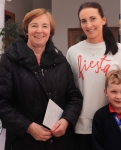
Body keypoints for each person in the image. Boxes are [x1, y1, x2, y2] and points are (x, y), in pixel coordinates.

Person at [66, 2, 121, 150]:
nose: (88, 25)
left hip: (112, 122)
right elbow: (68, 90)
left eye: (93, 18)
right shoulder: (73, 51)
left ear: (103, 20)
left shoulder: (118, 50)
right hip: (81, 126)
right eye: (83, 21)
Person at [0, 8, 83, 150]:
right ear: (26, 30)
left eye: (45, 26)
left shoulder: (61, 60)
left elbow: (74, 97)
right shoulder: (9, 60)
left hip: (60, 142)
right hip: (23, 142)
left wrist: (66, 120)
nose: (39, 30)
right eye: (34, 25)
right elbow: (2, 103)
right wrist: (28, 127)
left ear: (50, 32)